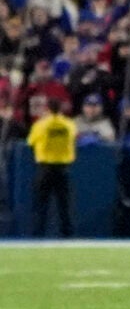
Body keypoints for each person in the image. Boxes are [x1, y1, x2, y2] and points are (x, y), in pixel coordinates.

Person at [25, 95, 77, 238]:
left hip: (45, 168)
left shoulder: (40, 125)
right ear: (61, 109)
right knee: (64, 206)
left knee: (41, 205)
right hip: (62, 168)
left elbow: (30, 142)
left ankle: (38, 236)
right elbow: (73, 137)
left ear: (46, 108)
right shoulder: (68, 124)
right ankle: (67, 236)